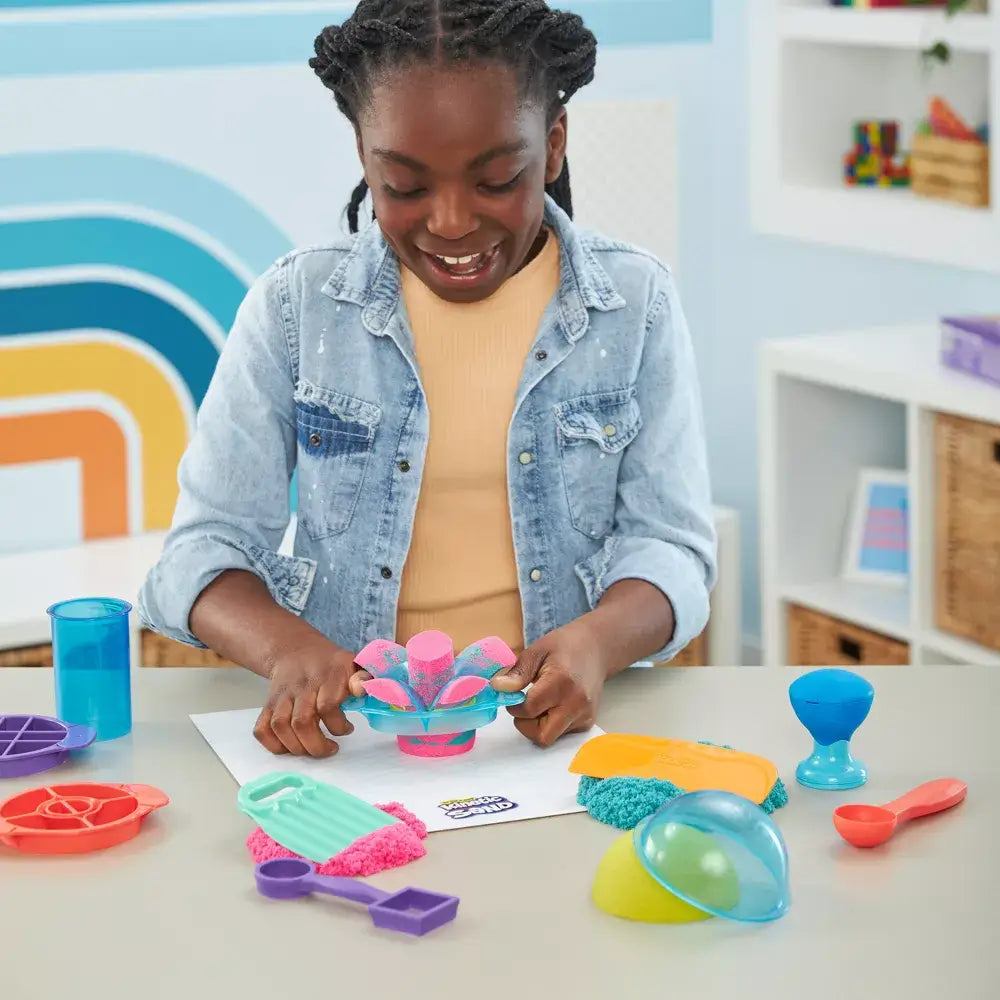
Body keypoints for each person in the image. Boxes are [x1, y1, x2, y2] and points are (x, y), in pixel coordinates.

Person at [138, 0, 717, 759]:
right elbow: (197, 553)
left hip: (547, 743)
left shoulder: (634, 304)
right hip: (357, 746)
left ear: (554, 145)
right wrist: (288, 650)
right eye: (406, 187)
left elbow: (670, 546)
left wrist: (598, 644)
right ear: (364, 156)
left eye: (497, 179)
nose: (449, 222)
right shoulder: (295, 308)